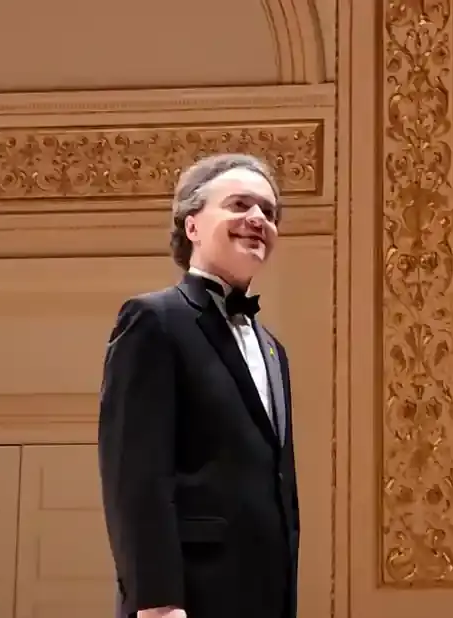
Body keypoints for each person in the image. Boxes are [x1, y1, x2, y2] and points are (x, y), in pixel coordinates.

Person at [98, 153, 299, 618]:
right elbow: (135, 476)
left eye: (268, 213)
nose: (258, 220)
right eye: (239, 205)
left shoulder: (274, 351)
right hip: (188, 600)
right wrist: (156, 603)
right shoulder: (154, 320)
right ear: (191, 227)